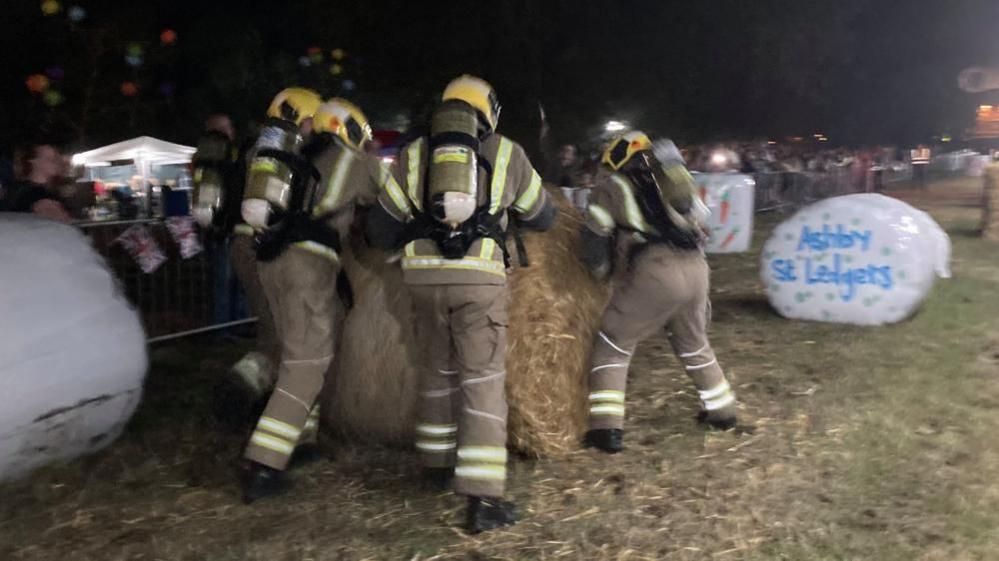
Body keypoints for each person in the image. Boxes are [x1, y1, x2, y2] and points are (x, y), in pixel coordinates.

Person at [365, 75, 556, 533]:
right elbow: (544, 216)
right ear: (487, 110)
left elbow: (379, 230)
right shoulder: (507, 152)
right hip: (478, 280)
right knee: (482, 380)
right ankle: (483, 497)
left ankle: (434, 465)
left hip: (421, 281)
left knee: (435, 370)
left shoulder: (413, 154)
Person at [240, 92, 383, 503]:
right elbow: (395, 204)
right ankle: (263, 464)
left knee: (298, 353)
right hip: (308, 267)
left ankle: (301, 441)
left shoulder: (301, 156)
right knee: (306, 365)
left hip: (273, 260)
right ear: (348, 128)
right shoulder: (355, 162)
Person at [579, 131, 739, 455]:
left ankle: (606, 429)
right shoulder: (672, 181)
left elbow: (594, 239)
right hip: (697, 268)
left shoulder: (612, 188)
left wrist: (601, 275)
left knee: (613, 342)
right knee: (694, 343)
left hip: (656, 271)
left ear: (615, 158)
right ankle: (723, 411)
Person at [191, 113, 283, 428]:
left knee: (237, 284)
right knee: (232, 283)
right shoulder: (236, 156)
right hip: (240, 231)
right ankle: (226, 331)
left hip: (228, 231)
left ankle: (233, 330)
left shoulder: (220, 158)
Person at [8, 143, 72, 223]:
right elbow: (61, 223)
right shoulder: (35, 193)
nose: (57, 162)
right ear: (34, 161)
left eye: (57, 158)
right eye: (51, 159)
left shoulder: (33, 190)